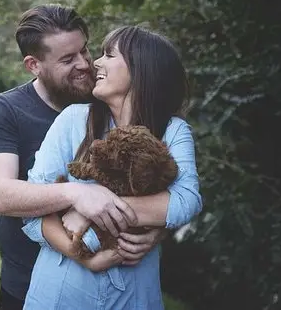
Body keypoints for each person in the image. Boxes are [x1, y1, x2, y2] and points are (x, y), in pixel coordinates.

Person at [0, 5, 172, 310]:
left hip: (113, 284)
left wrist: (156, 232)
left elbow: (159, 180)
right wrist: (76, 193)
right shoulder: (7, 110)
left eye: (85, 50)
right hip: (25, 278)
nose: (85, 64)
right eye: (68, 60)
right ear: (33, 65)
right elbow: (1, 196)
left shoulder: (108, 96)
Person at [20, 25, 203, 309]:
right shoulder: (73, 120)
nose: (96, 62)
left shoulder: (173, 131)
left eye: (109, 55)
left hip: (134, 295)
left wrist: (89, 210)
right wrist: (83, 255)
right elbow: (33, 211)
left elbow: (185, 201)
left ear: (140, 69)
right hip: (62, 291)